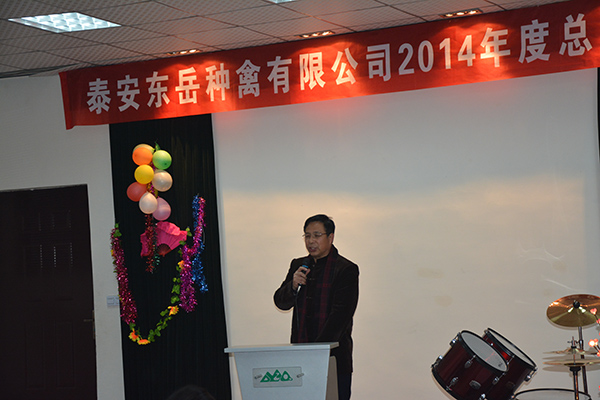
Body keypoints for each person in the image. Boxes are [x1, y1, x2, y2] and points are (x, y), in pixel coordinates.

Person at [274, 214, 359, 400]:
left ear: (330, 237)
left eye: (317, 235)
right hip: (300, 357)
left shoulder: (346, 269)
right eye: (307, 235)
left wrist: (315, 353)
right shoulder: (299, 265)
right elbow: (281, 302)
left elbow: (340, 317)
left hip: (334, 358)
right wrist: (292, 286)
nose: (311, 241)